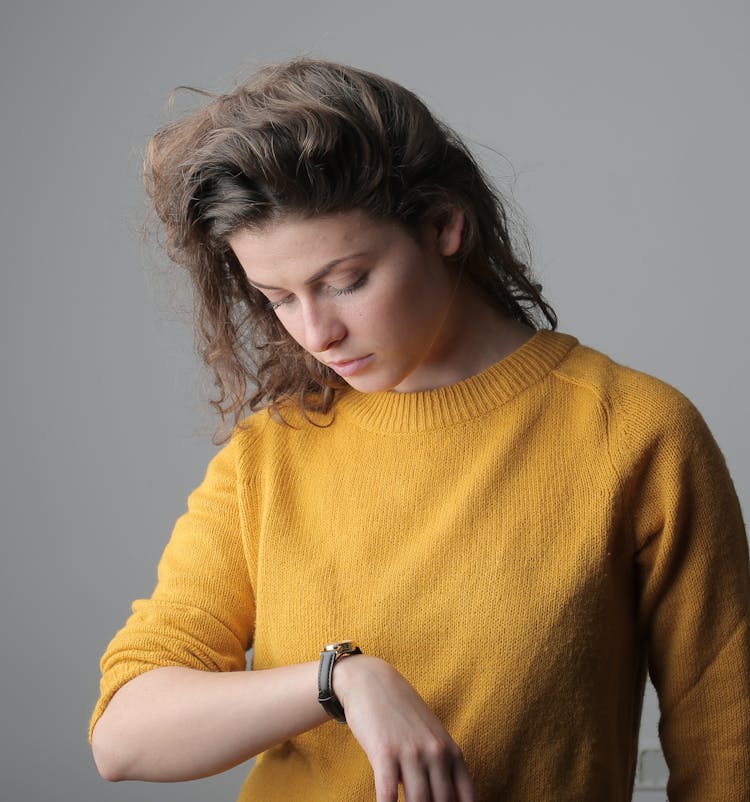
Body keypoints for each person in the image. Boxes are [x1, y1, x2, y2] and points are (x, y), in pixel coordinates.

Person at [89, 59, 750, 801]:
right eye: (278, 297)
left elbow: (726, 748)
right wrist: (341, 681)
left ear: (443, 225)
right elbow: (124, 731)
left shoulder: (633, 432)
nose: (317, 332)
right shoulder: (269, 456)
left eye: (346, 281)